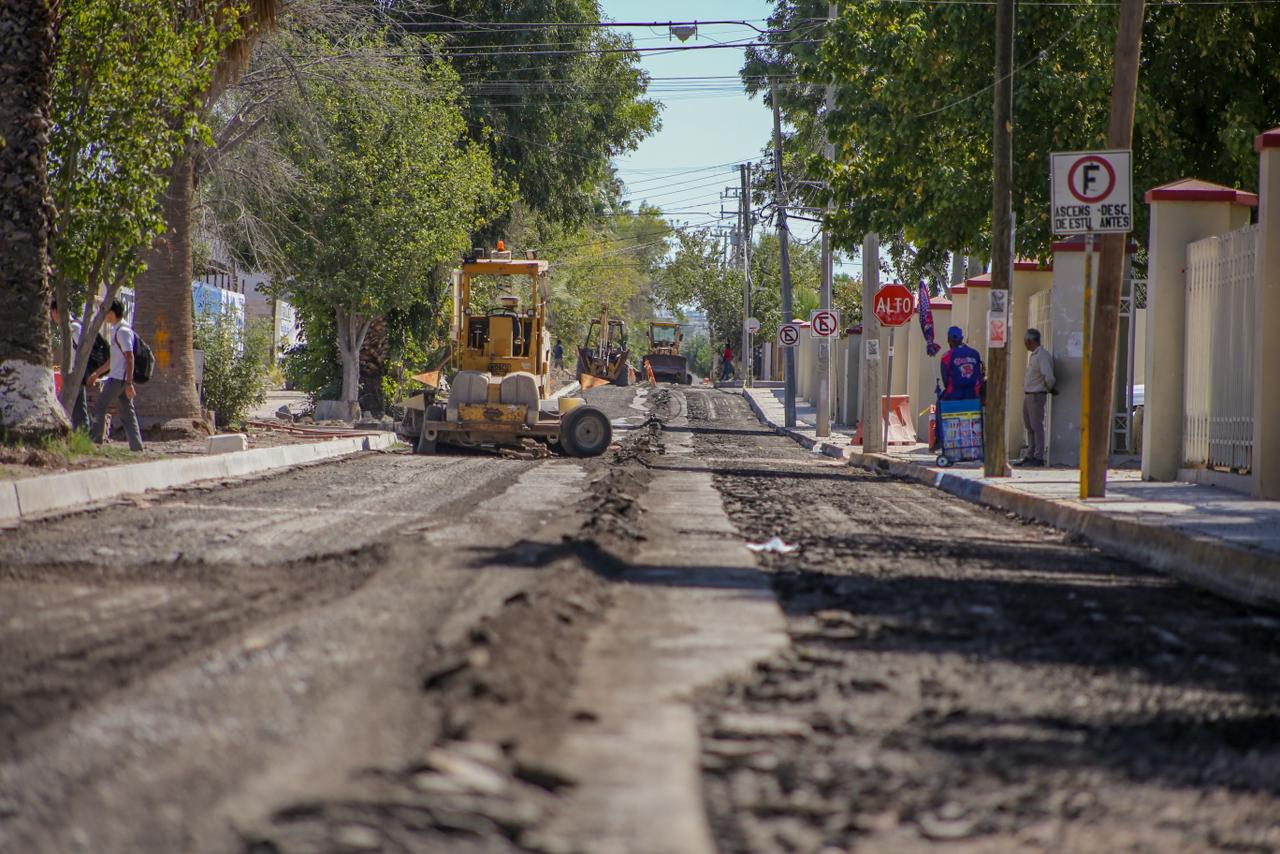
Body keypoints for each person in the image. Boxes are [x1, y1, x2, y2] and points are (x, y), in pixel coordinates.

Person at [88, 300, 144, 452]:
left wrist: (129, 383)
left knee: (99, 407)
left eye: (106, 312)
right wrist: (97, 373)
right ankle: (137, 447)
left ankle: (95, 443)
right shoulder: (117, 330)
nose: (105, 315)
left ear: (112, 313)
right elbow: (114, 360)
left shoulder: (123, 331)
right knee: (127, 413)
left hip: (118, 379)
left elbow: (129, 357)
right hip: (119, 378)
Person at [936, 326, 984, 453]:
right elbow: (980, 375)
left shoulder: (947, 356)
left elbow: (945, 381)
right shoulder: (975, 353)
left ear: (948, 340)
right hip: (973, 395)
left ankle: (939, 439)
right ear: (962, 338)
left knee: (939, 405)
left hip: (954, 396)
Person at [1015, 327, 1055, 467]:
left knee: (1036, 426)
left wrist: (1048, 388)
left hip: (1036, 394)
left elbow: (1049, 376)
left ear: (1030, 341)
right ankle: (1030, 454)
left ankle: (1038, 456)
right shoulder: (1034, 355)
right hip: (1029, 394)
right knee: (1029, 426)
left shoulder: (1042, 356)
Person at [49, 298, 89, 431]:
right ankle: (81, 434)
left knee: (70, 406)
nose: (52, 316)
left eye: (52, 312)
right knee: (77, 407)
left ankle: (83, 435)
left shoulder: (74, 328)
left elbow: (83, 351)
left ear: (56, 311)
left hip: (75, 374)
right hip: (71, 374)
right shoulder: (66, 328)